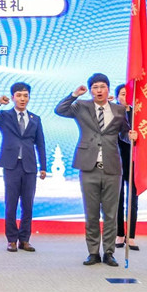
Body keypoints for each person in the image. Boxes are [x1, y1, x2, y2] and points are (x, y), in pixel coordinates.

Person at [55, 73, 138, 267]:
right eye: (95, 87)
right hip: (88, 166)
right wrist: (74, 94)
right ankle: (93, 252)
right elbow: (60, 110)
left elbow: (123, 134)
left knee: (111, 213)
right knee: (91, 213)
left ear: (108, 89)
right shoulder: (81, 106)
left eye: (102, 87)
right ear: (91, 90)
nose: (99, 90)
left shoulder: (119, 110)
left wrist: (130, 135)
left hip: (112, 167)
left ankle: (109, 252)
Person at [0, 82, 46, 253]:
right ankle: (11, 239)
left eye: (25, 96)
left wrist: (43, 166)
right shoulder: (5, 116)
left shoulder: (35, 118)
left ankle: (24, 239)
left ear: (29, 97)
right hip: (11, 165)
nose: (22, 99)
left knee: (28, 205)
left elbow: (40, 144)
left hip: (30, 166)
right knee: (11, 204)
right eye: (19, 95)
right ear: (12, 97)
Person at [114, 84, 138, 250]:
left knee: (132, 199)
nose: (125, 97)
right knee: (118, 198)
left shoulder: (138, 115)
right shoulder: (113, 113)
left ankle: (131, 236)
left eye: (128, 94)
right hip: (116, 159)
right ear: (117, 97)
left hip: (134, 160)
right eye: (122, 94)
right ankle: (120, 234)